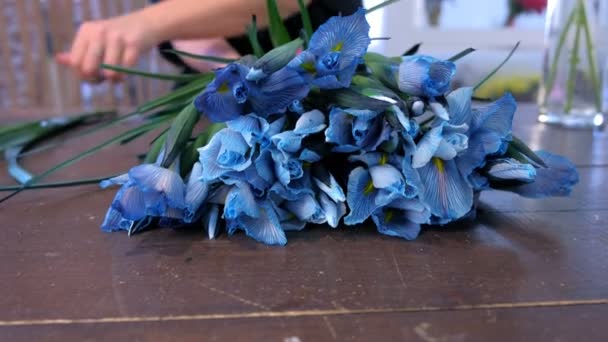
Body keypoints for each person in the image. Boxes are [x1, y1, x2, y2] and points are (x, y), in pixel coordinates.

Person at [56, 0, 362, 82]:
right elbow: (185, 27)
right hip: (217, 98)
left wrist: (146, 23)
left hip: (332, 83)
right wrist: (230, 72)